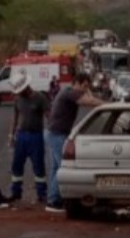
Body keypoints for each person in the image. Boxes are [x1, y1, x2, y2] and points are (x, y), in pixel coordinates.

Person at [44, 72, 104, 212]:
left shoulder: (69, 92)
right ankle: (53, 202)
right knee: (62, 167)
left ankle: (53, 198)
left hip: (54, 133)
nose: (85, 89)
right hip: (56, 134)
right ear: (77, 82)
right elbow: (88, 101)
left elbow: (88, 98)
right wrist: (109, 104)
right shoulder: (70, 92)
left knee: (55, 168)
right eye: (84, 86)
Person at [8, 71, 50, 203]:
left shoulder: (40, 98)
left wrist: (52, 131)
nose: (19, 93)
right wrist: (11, 134)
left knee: (38, 165)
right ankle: (16, 192)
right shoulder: (18, 99)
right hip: (21, 135)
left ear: (26, 87)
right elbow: (15, 116)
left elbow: (48, 115)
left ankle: (41, 193)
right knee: (17, 165)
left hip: (36, 136)